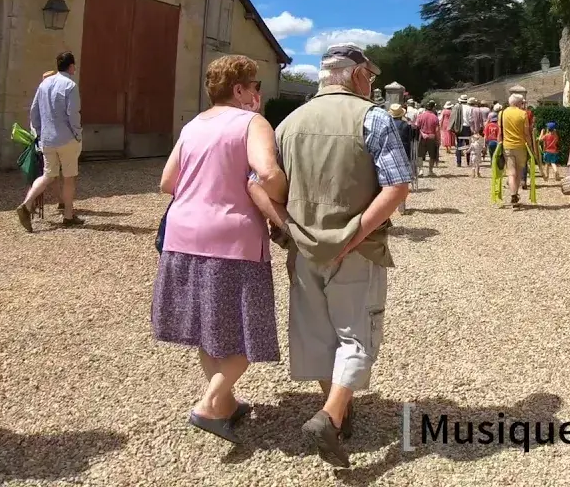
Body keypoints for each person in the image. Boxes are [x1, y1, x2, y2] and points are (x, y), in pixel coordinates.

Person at [276, 44, 412, 468]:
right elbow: (397, 187)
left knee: (316, 331)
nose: (371, 84)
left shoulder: (287, 123)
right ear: (356, 76)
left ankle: (337, 409)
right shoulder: (372, 117)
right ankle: (331, 416)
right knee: (357, 334)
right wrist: (354, 234)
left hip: (302, 247)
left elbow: (260, 183)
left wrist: (289, 228)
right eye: (369, 77)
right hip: (357, 246)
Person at [152, 55, 283, 444]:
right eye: (254, 85)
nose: (258, 92)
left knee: (209, 330)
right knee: (246, 330)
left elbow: (166, 182)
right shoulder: (251, 123)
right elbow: (269, 173)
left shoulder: (192, 125)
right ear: (240, 90)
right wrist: (284, 200)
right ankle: (209, 403)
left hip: (181, 236)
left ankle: (225, 404)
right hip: (232, 238)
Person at [16, 52, 83, 231]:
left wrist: (38, 133)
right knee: (69, 177)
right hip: (66, 138)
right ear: (71, 66)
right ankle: (68, 216)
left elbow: (34, 111)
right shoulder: (70, 85)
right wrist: (78, 134)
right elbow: (73, 114)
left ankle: (27, 203)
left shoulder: (44, 84)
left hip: (47, 139)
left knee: (48, 175)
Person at [498, 93, 534, 207]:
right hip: (520, 146)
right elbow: (526, 133)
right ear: (518, 103)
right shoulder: (523, 114)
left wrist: (500, 143)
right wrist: (530, 146)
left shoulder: (502, 113)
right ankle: (516, 193)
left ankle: (513, 194)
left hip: (507, 146)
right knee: (518, 172)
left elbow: (500, 131)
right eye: (522, 103)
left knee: (510, 172)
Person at [388, 103, 416, 214]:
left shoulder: (388, 125)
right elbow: (412, 138)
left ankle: (390, 204)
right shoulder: (406, 125)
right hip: (404, 153)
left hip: (390, 153)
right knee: (403, 179)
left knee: (391, 180)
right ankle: (402, 205)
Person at [414, 101, 440, 177]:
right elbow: (437, 130)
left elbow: (417, 127)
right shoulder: (435, 117)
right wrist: (438, 140)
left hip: (422, 137)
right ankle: (430, 170)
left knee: (420, 155)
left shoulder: (420, 116)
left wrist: (422, 134)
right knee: (432, 155)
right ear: (433, 108)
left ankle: (421, 170)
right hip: (432, 137)